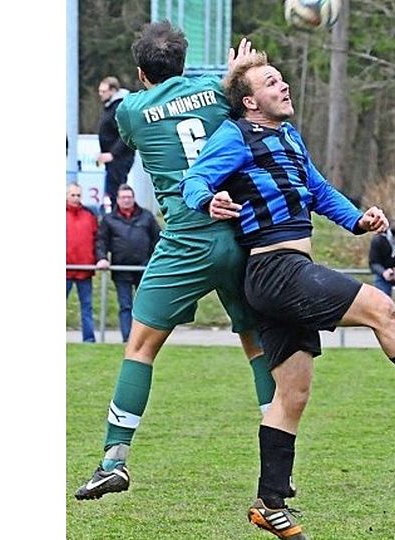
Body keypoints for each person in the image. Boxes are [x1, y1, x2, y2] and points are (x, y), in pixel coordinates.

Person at [180, 52, 395, 540]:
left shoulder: (289, 138)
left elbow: (318, 190)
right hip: (276, 269)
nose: (284, 85)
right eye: (271, 82)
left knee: (292, 394)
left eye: (282, 78)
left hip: (285, 274)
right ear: (251, 102)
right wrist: (206, 199)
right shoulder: (236, 134)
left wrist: (358, 219)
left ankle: (268, 503)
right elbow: (195, 178)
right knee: (382, 308)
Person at [73, 24, 278, 501]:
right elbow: (237, 97)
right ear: (184, 63)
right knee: (257, 346)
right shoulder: (216, 91)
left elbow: (138, 131)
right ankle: (278, 467)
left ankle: (114, 461)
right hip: (238, 232)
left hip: (185, 236)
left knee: (140, 348)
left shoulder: (131, 109)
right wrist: (235, 74)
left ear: (141, 72)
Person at [96, 184, 161, 342]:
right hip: (121, 269)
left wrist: (155, 260)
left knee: (144, 307)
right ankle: (128, 339)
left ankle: (144, 340)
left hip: (144, 269)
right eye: (123, 197)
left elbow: (158, 239)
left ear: (133, 198)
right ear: (117, 200)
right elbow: (101, 241)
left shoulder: (146, 216)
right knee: (125, 305)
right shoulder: (109, 219)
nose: (126, 200)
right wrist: (102, 258)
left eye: (129, 197)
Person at [97, 76, 136, 210]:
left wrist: (113, 154)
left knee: (116, 191)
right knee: (112, 192)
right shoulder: (110, 107)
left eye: (103, 91)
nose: (100, 94)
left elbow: (125, 133)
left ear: (113, 90)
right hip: (112, 159)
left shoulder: (119, 107)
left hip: (120, 159)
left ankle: (120, 218)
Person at [66, 183, 99, 343]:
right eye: (72, 195)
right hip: (65, 270)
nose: (75, 198)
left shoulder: (89, 215)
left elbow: (96, 239)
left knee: (87, 307)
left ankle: (89, 339)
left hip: (84, 270)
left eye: (78, 195)